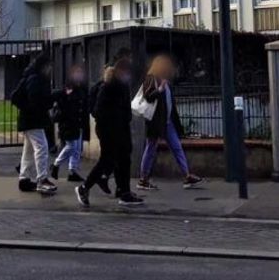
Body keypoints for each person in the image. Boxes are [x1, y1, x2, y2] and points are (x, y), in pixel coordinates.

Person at [76, 58, 143, 207]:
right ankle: (84, 187)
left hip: (120, 129)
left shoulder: (121, 86)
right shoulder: (108, 87)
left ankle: (123, 192)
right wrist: (115, 120)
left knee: (123, 160)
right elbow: (98, 110)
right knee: (108, 160)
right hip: (110, 130)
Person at [138, 54, 202, 190]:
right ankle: (143, 179)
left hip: (167, 123)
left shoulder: (165, 82)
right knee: (150, 148)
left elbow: (169, 105)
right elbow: (147, 97)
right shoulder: (151, 79)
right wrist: (159, 89)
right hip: (155, 123)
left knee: (177, 147)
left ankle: (187, 176)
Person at [11, 53, 57, 195]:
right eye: (49, 66)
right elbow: (36, 101)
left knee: (29, 150)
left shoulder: (32, 77)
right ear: (43, 66)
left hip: (30, 120)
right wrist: (50, 101)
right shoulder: (36, 80)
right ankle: (42, 179)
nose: (50, 69)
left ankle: (24, 179)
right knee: (41, 147)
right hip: (33, 120)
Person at [50, 62, 90, 182]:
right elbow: (59, 98)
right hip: (68, 123)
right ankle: (56, 165)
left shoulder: (81, 88)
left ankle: (73, 171)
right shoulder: (69, 88)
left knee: (77, 148)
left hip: (78, 122)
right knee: (72, 146)